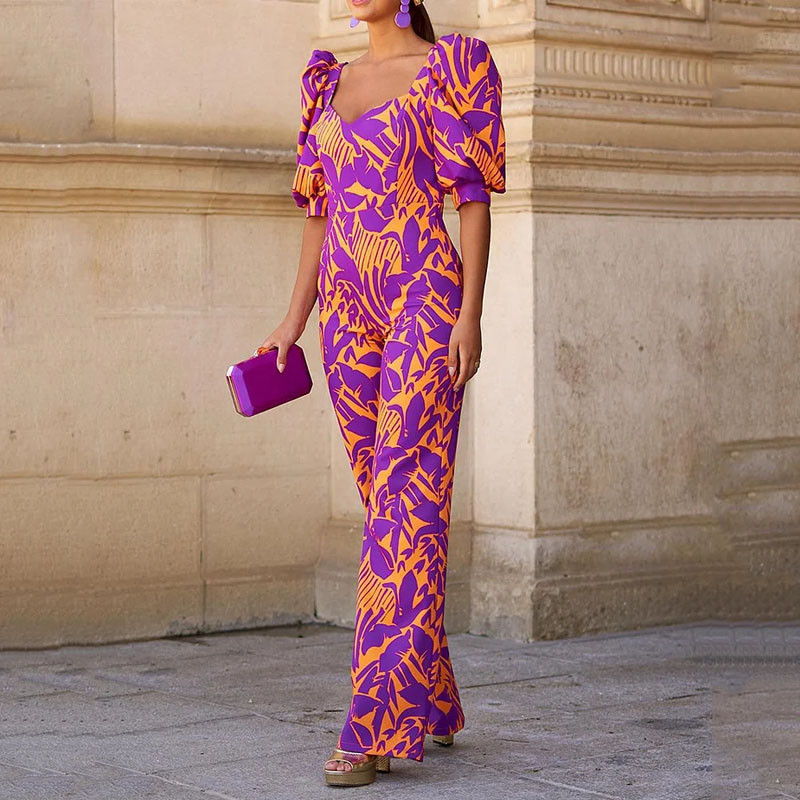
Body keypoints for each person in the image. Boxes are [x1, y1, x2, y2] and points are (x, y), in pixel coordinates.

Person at [257, 0, 506, 787]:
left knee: (404, 502)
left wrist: (469, 314)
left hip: (424, 298)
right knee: (388, 505)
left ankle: (372, 724)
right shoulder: (326, 82)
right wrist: (292, 322)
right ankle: (432, 697)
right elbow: (318, 212)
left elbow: (472, 197)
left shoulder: (450, 68)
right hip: (345, 313)